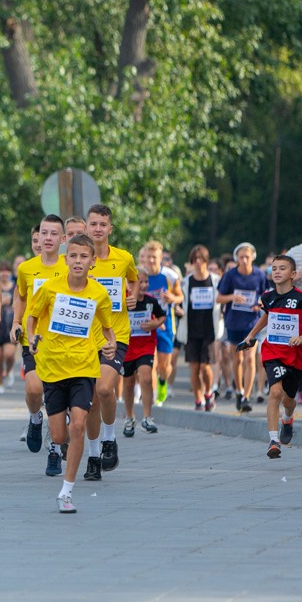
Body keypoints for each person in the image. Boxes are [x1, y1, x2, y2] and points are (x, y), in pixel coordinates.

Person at [24, 233, 116, 513]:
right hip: (52, 368)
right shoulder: (50, 289)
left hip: (84, 367)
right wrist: (31, 337)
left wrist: (110, 344)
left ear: (92, 261)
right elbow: (32, 317)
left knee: (78, 426)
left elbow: (107, 326)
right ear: (66, 260)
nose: (78, 261)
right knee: (60, 435)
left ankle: (66, 491)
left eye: (83, 257)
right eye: (73, 256)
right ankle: (51, 430)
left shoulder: (98, 293)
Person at [235, 255, 302, 458]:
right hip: (272, 351)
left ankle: (288, 419)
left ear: (293, 274)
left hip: (295, 355)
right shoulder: (267, 297)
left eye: (282, 268)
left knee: (288, 400)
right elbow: (267, 316)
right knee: (275, 392)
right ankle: (273, 440)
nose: (277, 271)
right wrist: (250, 336)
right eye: (274, 268)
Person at [83, 203, 137, 479]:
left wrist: (133, 296)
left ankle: (109, 438)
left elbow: (135, 281)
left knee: (105, 389)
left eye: (103, 224)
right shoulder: (79, 260)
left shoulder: (124, 258)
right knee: (91, 399)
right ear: (86, 227)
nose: (98, 229)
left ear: (110, 229)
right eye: (93, 224)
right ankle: (93, 457)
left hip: (115, 335)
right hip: (84, 338)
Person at [12, 215, 66, 458]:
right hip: (33, 340)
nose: (48, 238)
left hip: (63, 341)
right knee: (34, 389)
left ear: (63, 238)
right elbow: (21, 296)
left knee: (57, 399)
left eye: (54, 234)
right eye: (44, 233)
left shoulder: (69, 266)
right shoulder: (26, 268)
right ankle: (35, 418)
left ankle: (54, 451)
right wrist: (15, 322)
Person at [217, 242, 267, 412]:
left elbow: (264, 295)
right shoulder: (230, 275)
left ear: (253, 257)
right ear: (237, 258)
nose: (244, 260)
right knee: (237, 359)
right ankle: (238, 390)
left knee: (250, 358)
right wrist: (233, 297)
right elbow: (219, 298)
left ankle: (246, 396)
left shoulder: (259, 275)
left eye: (247, 257)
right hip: (234, 322)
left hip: (252, 323)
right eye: (241, 257)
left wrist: (259, 303)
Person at [139, 241, 183, 404]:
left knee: (164, 366)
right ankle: (149, 393)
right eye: (148, 257)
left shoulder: (170, 276)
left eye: (154, 258)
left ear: (160, 258)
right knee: (150, 361)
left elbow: (180, 296)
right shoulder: (140, 275)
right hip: (146, 324)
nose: (151, 261)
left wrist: (173, 298)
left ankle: (163, 382)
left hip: (166, 324)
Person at [179, 245, 220, 414]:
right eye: (194, 260)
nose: (197, 262)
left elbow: (222, 299)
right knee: (194, 368)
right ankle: (198, 398)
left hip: (209, 329)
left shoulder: (215, 280)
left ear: (206, 260)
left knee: (206, 367)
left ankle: (208, 393)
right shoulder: (186, 282)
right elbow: (180, 300)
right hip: (191, 330)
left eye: (200, 259)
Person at [121, 282, 165, 434]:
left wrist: (155, 324)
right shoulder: (123, 300)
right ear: (129, 284)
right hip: (127, 347)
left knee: (146, 377)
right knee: (128, 382)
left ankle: (147, 417)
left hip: (146, 345)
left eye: (146, 281)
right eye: (138, 281)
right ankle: (129, 417)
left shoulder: (151, 301)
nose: (143, 285)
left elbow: (162, 317)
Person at [281, 210, 302, 400]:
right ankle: (301, 389)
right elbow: (280, 278)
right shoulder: (296, 252)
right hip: (301, 308)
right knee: (301, 351)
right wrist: (295, 275)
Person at [0, 263, 17, 391]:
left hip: (10, 326)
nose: (4, 274)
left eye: (7, 271)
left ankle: (8, 370)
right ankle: (0, 383)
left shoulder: (15, 287)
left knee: (9, 354)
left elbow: (20, 302)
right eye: (2, 271)